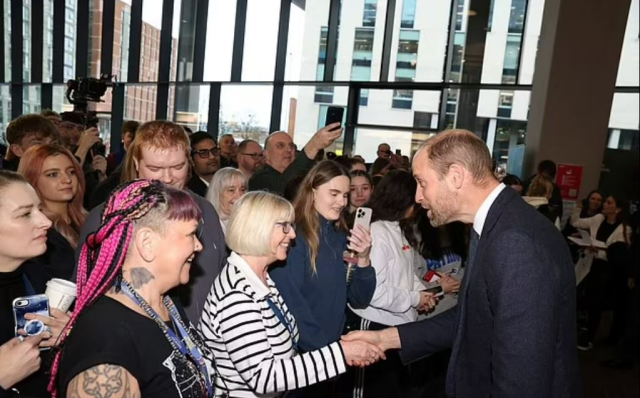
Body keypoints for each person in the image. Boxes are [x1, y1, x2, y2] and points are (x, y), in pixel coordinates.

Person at [343, 130, 582, 398]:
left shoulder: (516, 242)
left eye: (422, 183)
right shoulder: (499, 225)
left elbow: (522, 376)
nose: (419, 197)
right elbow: (471, 315)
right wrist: (386, 339)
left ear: (456, 176)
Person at [198, 191, 384, 398]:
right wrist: (340, 354)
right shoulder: (236, 296)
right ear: (258, 228)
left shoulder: (261, 278)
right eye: (284, 226)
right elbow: (264, 377)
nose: (293, 235)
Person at [51, 180, 213, 398]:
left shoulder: (165, 302)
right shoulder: (104, 340)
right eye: (190, 234)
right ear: (147, 243)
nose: (198, 246)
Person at [76, 121, 227, 323]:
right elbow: (86, 290)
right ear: (137, 164)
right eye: (155, 168)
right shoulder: (107, 217)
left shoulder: (206, 211)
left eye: (177, 167)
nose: (167, 178)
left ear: (189, 163)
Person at [269, 161, 376, 397]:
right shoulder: (293, 238)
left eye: (345, 195)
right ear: (312, 190)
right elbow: (292, 306)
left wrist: (364, 259)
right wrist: (331, 354)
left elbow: (360, 298)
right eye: (334, 193)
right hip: (303, 362)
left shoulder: (340, 237)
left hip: (329, 361)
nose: (342, 202)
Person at [349, 170, 438, 398]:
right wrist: (415, 298)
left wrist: (422, 293)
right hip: (375, 324)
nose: (420, 200)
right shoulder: (377, 232)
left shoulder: (399, 228)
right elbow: (374, 292)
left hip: (398, 324)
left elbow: (407, 274)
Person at [0, 171, 71, 397]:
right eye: (25, 214)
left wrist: (69, 338)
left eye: (39, 209)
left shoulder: (36, 277)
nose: (46, 222)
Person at [18, 144, 87, 280]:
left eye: (71, 172)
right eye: (53, 174)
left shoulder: (90, 220)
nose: (66, 180)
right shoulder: (38, 232)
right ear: (32, 181)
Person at [571, 194, 632, 350]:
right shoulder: (598, 219)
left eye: (609, 202)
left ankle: (590, 336)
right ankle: (582, 331)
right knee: (585, 297)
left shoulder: (624, 229)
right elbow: (576, 222)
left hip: (607, 270)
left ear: (617, 209)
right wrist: (578, 207)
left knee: (597, 303)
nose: (604, 204)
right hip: (591, 264)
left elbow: (619, 255)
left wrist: (598, 250)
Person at [248, 124, 342, 196]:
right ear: (266, 154)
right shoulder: (259, 178)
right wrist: (313, 146)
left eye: (291, 146)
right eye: (280, 146)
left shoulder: (304, 175)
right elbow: (283, 189)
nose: (289, 150)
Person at [205, 167, 247, 235]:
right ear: (217, 193)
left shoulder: (249, 221)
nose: (239, 196)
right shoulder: (208, 226)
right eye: (231, 190)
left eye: (242, 189)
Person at [188, 131, 221, 197]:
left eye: (214, 151)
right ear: (191, 159)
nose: (212, 157)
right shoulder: (190, 193)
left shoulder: (228, 182)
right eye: (204, 153)